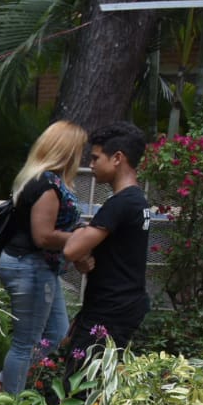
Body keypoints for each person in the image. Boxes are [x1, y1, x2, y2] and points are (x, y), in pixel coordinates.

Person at [0, 120, 87, 397]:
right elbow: (43, 236)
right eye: (80, 149)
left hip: (35, 267)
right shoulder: (47, 184)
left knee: (57, 334)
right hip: (30, 266)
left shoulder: (39, 178)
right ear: (68, 150)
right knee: (25, 343)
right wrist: (84, 237)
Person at [62, 121, 151, 358]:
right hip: (118, 304)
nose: (91, 165)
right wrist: (85, 256)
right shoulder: (137, 200)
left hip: (111, 309)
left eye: (95, 158)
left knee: (80, 383)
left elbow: (71, 249)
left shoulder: (120, 204)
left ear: (117, 158)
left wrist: (80, 237)